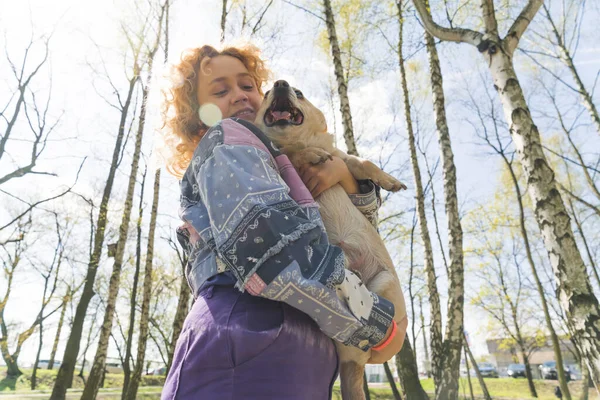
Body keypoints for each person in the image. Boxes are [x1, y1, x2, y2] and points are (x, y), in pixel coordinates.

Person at [159, 43, 405, 400]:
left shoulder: (272, 159)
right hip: (249, 333)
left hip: (303, 338)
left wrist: (347, 177)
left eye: (247, 86)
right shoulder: (228, 142)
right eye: (220, 91)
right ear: (201, 119)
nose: (240, 96)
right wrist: (379, 326)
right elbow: (279, 256)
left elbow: (353, 227)